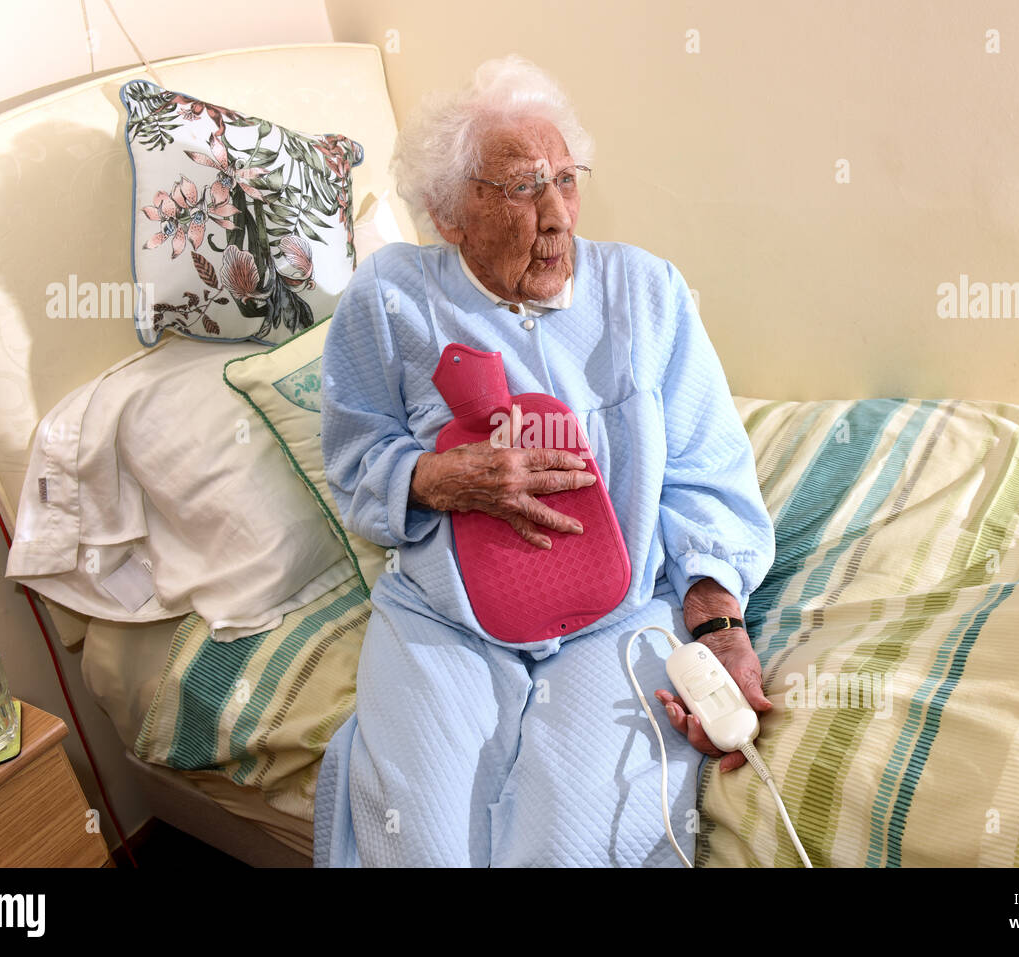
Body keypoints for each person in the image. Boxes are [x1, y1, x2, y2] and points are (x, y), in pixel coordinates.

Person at [312, 55, 775, 867]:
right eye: (525, 188)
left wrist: (721, 625)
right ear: (449, 215)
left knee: (574, 841)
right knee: (418, 843)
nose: (559, 213)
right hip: (442, 619)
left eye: (568, 178)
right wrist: (433, 479)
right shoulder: (389, 301)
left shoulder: (649, 293)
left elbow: (706, 473)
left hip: (617, 614)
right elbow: (356, 457)